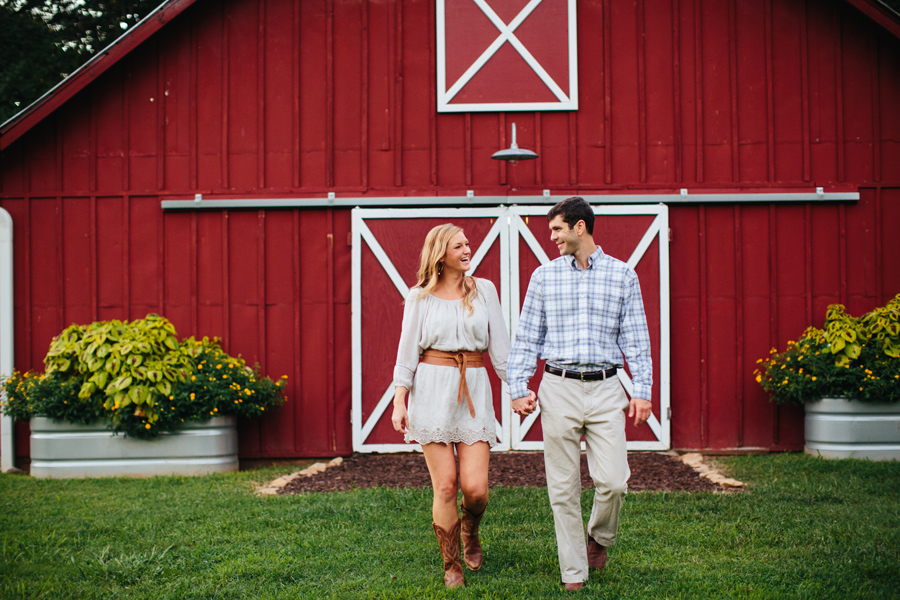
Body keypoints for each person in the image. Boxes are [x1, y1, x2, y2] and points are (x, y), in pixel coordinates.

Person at [507, 197, 653, 592]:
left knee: (613, 482)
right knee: (563, 486)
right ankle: (574, 571)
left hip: (607, 389)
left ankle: (599, 537)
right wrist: (518, 387)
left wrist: (642, 390)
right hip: (559, 387)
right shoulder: (544, 277)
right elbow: (527, 337)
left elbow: (636, 339)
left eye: (556, 229)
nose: (551, 237)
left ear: (579, 228)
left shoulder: (623, 276)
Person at [391, 223, 519, 588]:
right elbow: (406, 355)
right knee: (446, 485)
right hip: (431, 391)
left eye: (468, 244)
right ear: (440, 254)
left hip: (474, 391)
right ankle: (451, 565)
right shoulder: (419, 297)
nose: (467, 250)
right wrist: (400, 401)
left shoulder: (485, 291)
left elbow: (502, 351)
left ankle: (470, 530)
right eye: (458, 246)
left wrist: (518, 389)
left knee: (476, 489)